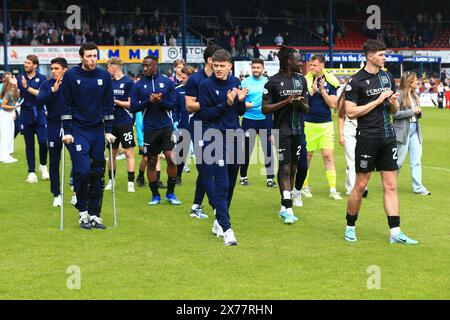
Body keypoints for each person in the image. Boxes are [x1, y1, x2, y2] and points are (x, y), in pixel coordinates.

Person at [344, 39, 418, 244]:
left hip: (388, 137)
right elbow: (350, 112)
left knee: (391, 185)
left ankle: (395, 233)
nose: (385, 58)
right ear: (370, 56)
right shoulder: (356, 81)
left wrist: (392, 104)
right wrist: (377, 101)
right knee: (360, 184)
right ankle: (350, 225)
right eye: (381, 55)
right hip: (367, 137)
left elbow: (393, 111)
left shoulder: (387, 76)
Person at [61, 42, 115, 230]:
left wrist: (108, 130)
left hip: (97, 130)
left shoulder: (104, 76)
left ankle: (95, 214)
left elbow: (108, 105)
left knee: (98, 173)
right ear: (81, 57)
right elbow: (65, 105)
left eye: (94, 56)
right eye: (89, 56)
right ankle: (82, 211)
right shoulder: (71, 75)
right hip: (77, 130)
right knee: (83, 170)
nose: (92, 59)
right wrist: (67, 131)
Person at [198, 49, 248, 245]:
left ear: (230, 66)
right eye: (215, 66)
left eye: (222, 66)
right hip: (214, 137)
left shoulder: (235, 82)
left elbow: (240, 111)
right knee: (222, 183)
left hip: (235, 136)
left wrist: (240, 102)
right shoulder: (205, 85)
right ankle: (228, 230)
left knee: (231, 184)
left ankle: (219, 220)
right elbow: (206, 113)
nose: (218, 69)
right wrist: (226, 103)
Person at [262, 46, 309, 224]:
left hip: (298, 130)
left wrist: (298, 102)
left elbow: (307, 107)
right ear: (289, 61)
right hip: (281, 131)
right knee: (285, 167)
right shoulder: (272, 82)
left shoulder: (301, 80)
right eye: (299, 60)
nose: (301, 63)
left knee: (295, 167)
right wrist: (285, 102)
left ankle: (284, 204)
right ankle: (288, 208)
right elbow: (265, 108)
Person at [130, 55, 181, 206]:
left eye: (148, 66)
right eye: (143, 66)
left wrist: (161, 101)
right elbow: (133, 107)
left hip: (166, 127)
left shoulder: (166, 82)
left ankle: (170, 193)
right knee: (151, 161)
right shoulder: (138, 85)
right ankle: (155, 195)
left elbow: (173, 105)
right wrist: (148, 102)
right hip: (150, 129)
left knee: (171, 157)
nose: (145, 68)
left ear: (155, 66)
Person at [185, 44, 222, 219]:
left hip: (218, 126)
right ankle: (217, 209)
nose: (220, 65)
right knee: (207, 169)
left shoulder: (221, 79)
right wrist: (212, 104)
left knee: (208, 169)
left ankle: (196, 206)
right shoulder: (195, 79)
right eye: (217, 61)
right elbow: (189, 105)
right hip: (199, 126)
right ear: (209, 60)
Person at [300, 55, 342, 201]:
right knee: (307, 157)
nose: (311, 68)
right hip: (308, 123)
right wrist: (311, 91)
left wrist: (323, 90)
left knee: (328, 156)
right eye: (310, 65)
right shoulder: (304, 80)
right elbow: (302, 102)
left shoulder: (331, 81)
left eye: (315, 65)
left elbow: (333, 104)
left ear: (322, 65)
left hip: (326, 124)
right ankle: (304, 187)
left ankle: (333, 189)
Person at [36, 58, 68, 207]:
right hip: (54, 124)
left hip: (71, 124)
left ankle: (76, 192)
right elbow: (39, 101)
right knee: (54, 161)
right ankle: (56, 194)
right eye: (52, 68)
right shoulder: (46, 84)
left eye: (56, 68)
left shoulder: (71, 83)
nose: (53, 71)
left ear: (64, 70)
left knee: (79, 158)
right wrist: (52, 91)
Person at [239, 58, 276, 188]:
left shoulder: (268, 82)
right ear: (251, 68)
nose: (255, 70)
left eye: (258, 68)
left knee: (268, 149)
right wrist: (252, 104)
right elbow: (240, 102)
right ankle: (243, 176)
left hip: (265, 120)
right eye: (254, 67)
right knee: (247, 150)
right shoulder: (244, 82)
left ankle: (270, 178)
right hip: (249, 120)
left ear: (263, 68)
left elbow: (272, 102)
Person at [393, 71, 430, 196]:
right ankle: (390, 184)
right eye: (415, 80)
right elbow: (395, 114)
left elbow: (416, 114)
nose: (418, 82)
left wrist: (418, 112)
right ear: (409, 82)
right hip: (403, 131)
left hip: (415, 130)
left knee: (417, 161)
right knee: (398, 162)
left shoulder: (415, 95)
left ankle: (418, 187)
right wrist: (412, 111)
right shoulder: (398, 95)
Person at [104, 57, 136, 193]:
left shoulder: (128, 82)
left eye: (108, 67)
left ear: (114, 67)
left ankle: (130, 183)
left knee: (128, 151)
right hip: (111, 122)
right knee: (112, 152)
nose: (107, 70)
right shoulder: (108, 82)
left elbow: (130, 104)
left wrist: (115, 101)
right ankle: (111, 181)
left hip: (124, 121)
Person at [18, 55, 49, 183]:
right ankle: (31, 172)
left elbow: (40, 94)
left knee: (43, 142)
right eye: (25, 62)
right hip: (25, 113)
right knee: (29, 144)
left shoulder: (42, 78)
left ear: (35, 65)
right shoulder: (20, 77)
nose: (25, 64)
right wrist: (15, 87)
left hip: (39, 113)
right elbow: (16, 97)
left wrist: (26, 87)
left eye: (28, 63)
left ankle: (42, 165)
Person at [337, 78, 368, 198]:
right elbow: (340, 117)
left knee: (363, 159)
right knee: (352, 161)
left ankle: (362, 186)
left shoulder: (363, 96)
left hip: (363, 130)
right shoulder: (344, 98)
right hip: (349, 130)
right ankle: (352, 189)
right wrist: (341, 134)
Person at [172, 65, 195, 186]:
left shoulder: (200, 89)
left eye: (184, 77)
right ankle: (178, 176)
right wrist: (175, 120)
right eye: (181, 77)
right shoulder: (178, 90)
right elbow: (175, 108)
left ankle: (206, 175)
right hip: (183, 125)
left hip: (198, 124)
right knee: (182, 152)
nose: (181, 79)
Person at [0, 73, 20, 163]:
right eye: (12, 78)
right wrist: (14, 108)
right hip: (5, 115)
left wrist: (14, 111)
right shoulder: (8, 92)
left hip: (10, 114)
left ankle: (7, 155)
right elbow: (3, 105)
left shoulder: (13, 90)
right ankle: (3, 157)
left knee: (10, 135)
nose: (13, 78)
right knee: (6, 136)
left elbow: (16, 99)